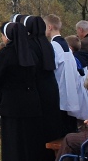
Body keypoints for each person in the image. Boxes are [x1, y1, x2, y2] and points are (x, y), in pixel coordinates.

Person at [0, 21, 46, 161]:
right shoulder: (31, 52)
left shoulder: (6, 53)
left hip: (11, 103)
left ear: (9, 36)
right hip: (31, 101)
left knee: (12, 141)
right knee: (28, 139)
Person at [14, 14, 65, 155]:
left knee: (39, 130)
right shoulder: (47, 43)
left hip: (38, 89)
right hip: (51, 87)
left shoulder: (30, 45)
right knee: (50, 125)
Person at [44, 14, 88, 130]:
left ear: (49, 27)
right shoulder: (65, 44)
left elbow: (52, 67)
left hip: (60, 89)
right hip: (70, 88)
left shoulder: (53, 46)